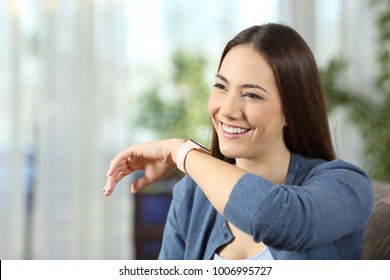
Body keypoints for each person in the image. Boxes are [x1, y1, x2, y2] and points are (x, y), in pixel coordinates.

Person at [103, 23, 373, 260]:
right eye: (221, 86)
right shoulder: (192, 194)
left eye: (252, 95)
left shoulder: (347, 186)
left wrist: (181, 152)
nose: (228, 110)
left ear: (291, 110)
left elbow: (276, 218)